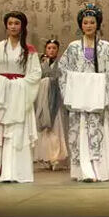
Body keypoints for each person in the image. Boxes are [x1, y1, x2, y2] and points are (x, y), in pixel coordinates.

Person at [58, 4, 109, 182]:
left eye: (92, 22)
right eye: (85, 22)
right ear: (80, 25)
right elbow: (63, 70)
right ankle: (83, 171)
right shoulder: (73, 47)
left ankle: (99, 170)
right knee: (80, 130)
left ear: (97, 24)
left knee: (98, 131)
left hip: (97, 99)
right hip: (79, 99)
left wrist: (101, 80)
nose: (89, 25)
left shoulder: (105, 47)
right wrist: (79, 80)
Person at [0, 11, 41, 183]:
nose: (13, 26)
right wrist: (1, 82)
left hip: (20, 96)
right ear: (6, 26)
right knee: (1, 133)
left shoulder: (29, 50)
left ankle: (18, 173)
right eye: (10, 23)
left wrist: (17, 85)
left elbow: (35, 74)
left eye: (17, 23)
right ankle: (0, 173)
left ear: (22, 26)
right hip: (1, 95)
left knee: (18, 133)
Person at [34, 39, 68, 170]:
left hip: (57, 100)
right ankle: (46, 157)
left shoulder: (62, 65)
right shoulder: (40, 66)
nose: (51, 50)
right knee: (45, 130)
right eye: (49, 48)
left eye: (54, 48)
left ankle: (57, 158)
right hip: (43, 101)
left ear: (58, 50)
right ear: (45, 50)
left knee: (56, 129)